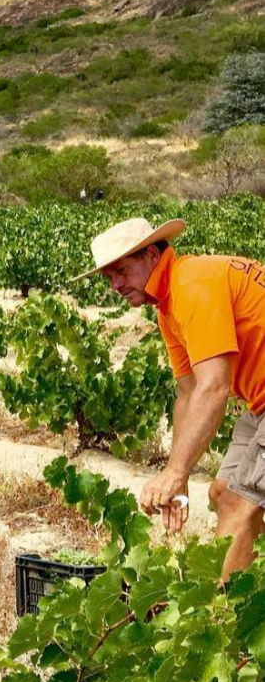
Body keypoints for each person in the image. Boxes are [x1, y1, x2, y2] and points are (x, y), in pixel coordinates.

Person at [77, 216, 265, 581]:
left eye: (121, 271)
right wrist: (176, 475)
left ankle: (221, 623)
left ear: (150, 255)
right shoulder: (169, 304)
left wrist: (176, 471)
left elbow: (214, 387)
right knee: (225, 493)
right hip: (260, 403)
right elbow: (189, 392)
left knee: (243, 506)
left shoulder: (192, 285)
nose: (115, 284)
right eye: (108, 277)